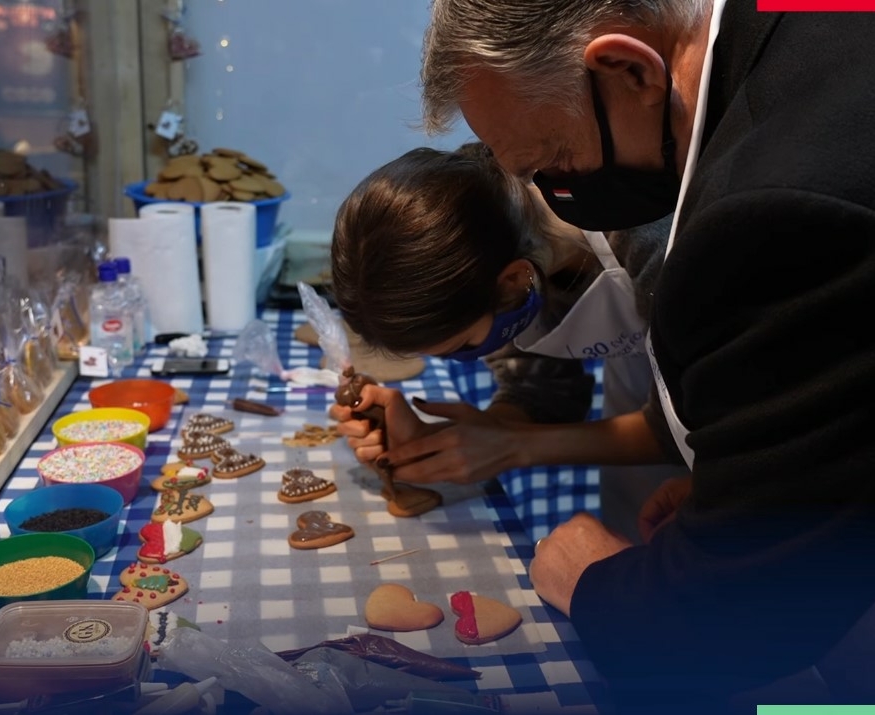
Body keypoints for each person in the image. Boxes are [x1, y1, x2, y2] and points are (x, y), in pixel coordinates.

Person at [418, 0, 875, 712]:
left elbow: (741, 621)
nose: (557, 198)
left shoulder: (767, 220)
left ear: (628, 69)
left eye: (554, 162)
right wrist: (763, 476)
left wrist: (592, 580)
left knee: (831, 701)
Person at [329, 142, 684, 544]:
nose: (470, 357)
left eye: (465, 346)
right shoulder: (493, 256)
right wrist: (478, 434)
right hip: (640, 404)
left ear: (515, 280)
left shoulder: (649, 231)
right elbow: (545, 392)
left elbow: (694, 426)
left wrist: (516, 447)